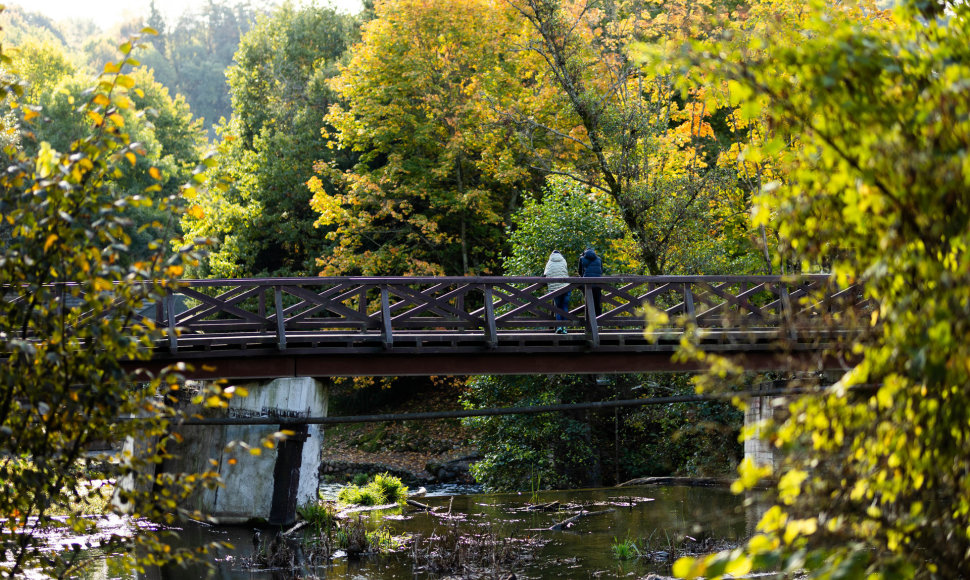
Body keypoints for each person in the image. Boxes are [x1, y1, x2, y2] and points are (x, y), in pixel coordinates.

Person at [543, 250, 570, 334]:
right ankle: (564, 328)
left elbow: (545, 274)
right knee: (565, 307)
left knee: (558, 308)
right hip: (565, 287)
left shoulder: (549, 263)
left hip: (555, 288)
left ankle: (559, 327)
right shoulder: (563, 261)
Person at [578, 247, 603, 316]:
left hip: (586, 284)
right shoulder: (599, 259)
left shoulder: (582, 258)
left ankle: (589, 320)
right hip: (598, 284)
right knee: (597, 303)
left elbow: (580, 272)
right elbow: (601, 271)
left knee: (588, 303)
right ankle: (599, 321)